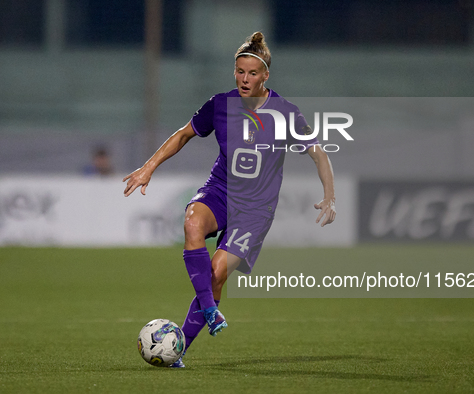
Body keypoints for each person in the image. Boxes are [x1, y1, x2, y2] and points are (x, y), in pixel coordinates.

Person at [123, 32, 336, 368]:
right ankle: (210, 309)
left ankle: (180, 350)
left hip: (255, 208)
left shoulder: (285, 113)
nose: (244, 79)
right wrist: (148, 167)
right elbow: (183, 135)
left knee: (217, 273)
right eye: (239, 71)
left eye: (252, 73)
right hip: (220, 190)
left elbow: (318, 153)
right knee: (192, 223)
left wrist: (330, 196)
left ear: (266, 75)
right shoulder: (219, 105)